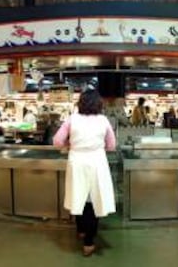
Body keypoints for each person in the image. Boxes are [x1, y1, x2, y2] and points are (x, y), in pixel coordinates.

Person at [53, 87, 116, 257]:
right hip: (97, 162)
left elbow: (57, 141)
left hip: (77, 161)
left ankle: (81, 230)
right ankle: (89, 241)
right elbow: (112, 145)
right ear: (98, 104)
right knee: (95, 199)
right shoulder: (103, 120)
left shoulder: (72, 119)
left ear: (80, 103)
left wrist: (69, 145)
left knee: (78, 195)